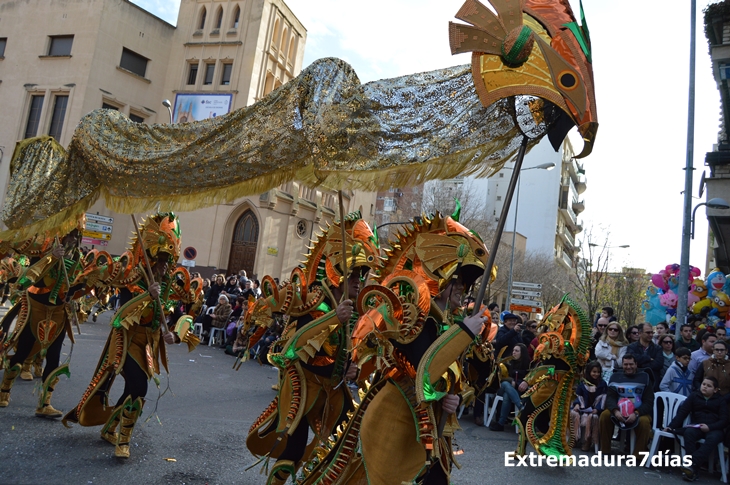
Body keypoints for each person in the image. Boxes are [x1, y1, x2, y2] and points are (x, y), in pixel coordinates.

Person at [297, 211, 490, 485]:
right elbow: (425, 376)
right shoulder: (412, 315)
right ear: (442, 277)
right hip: (393, 424)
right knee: (291, 444)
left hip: (425, 432)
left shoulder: (448, 324)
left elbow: (457, 379)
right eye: (459, 280)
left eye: (466, 283)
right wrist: (464, 333)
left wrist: (455, 397)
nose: (463, 288)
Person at [246, 212, 381, 485]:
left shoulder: (349, 308)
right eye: (354, 274)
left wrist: (349, 368)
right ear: (338, 273)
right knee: (294, 451)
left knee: (344, 441)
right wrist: (334, 318)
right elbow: (295, 349)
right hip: (303, 387)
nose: (359, 280)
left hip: (330, 390)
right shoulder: (315, 301)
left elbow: (338, 353)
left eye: (363, 274)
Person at [62, 213, 203, 459]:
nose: (162, 264)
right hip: (125, 337)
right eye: (159, 258)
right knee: (139, 385)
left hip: (148, 342)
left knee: (134, 388)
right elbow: (100, 281)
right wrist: (147, 294)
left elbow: (191, 307)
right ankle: (123, 441)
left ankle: (110, 429)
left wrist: (177, 335)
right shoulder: (130, 269)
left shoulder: (170, 280)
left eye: (167, 260)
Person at [0, 223, 99, 417]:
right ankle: (4, 390)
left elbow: (73, 287)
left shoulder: (77, 258)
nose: (72, 239)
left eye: (75, 235)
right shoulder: (43, 248)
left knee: (53, 359)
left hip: (58, 314)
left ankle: (44, 403)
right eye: (69, 234)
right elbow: (29, 279)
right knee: (22, 354)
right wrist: (51, 257)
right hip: (35, 309)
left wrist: (81, 289)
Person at [664, 376, 728, 482]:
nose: (705, 387)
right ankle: (693, 470)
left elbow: (724, 420)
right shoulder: (694, 396)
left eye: (709, 386)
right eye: (703, 384)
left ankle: (692, 464)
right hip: (697, 426)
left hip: (714, 428)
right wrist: (671, 426)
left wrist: (710, 427)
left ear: (715, 390)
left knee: (712, 438)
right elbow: (682, 413)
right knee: (689, 433)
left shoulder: (721, 401)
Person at [599, 354, 654, 457]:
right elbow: (610, 398)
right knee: (604, 416)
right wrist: (615, 411)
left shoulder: (645, 378)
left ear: (636, 364)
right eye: (626, 364)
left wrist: (636, 413)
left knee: (645, 422)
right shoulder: (615, 377)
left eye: (631, 364)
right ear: (622, 365)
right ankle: (605, 450)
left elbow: (649, 401)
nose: (628, 367)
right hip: (618, 411)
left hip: (638, 412)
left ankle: (638, 455)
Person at [489, 343, 530, 431]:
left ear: (522, 353)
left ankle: (501, 423)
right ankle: (521, 407)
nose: (514, 353)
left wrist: (520, 383)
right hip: (502, 387)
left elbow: (529, 378)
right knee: (505, 384)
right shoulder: (508, 362)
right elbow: (500, 378)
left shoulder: (527, 364)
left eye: (517, 351)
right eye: (513, 350)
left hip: (517, 391)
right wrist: (511, 381)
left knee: (507, 395)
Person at [570, 361, 607, 451]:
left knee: (593, 417)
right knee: (573, 413)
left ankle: (588, 440)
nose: (596, 374)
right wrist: (577, 404)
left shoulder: (602, 384)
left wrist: (597, 409)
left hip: (595, 410)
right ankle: (574, 437)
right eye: (594, 372)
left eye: (598, 372)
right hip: (583, 408)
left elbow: (603, 399)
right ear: (589, 372)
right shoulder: (583, 383)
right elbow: (578, 396)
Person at [627, 323, 663, 388]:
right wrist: (648, 358)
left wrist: (641, 365)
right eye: (648, 333)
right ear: (640, 333)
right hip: (635, 381)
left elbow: (659, 364)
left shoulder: (658, 348)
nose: (651, 335)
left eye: (652, 332)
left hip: (652, 383)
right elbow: (630, 360)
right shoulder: (631, 347)